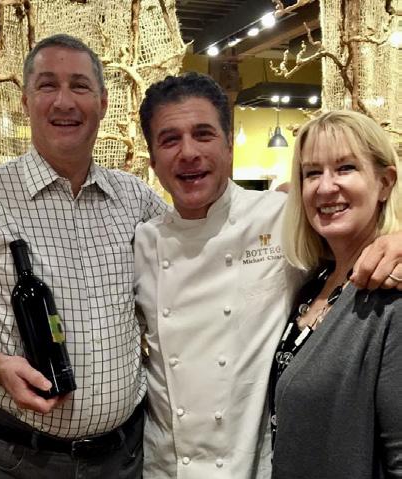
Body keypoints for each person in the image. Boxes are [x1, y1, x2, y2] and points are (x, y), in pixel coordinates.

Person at [135, 72, 402, 479]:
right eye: (170, 140)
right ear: (152, 160)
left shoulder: (282, 218)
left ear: (229, 145)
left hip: (256, 467)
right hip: (167, 468)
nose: (188, 152)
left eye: (204, 134)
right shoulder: (141, 243)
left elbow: (361, 218)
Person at [0, 34, 165, 479]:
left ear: (103, 102)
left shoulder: (136, 199)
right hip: (20, 460)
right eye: (47, 85)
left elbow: (195, 256)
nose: (64, 101)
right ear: (25, 101)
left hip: (124, 458)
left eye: (79, 86)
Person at [270, 110, 402, 478]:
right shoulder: (315, 282)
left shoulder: (391, 293)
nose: (326, 187)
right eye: (312, 173)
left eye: (345, 168)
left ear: (385, 183)